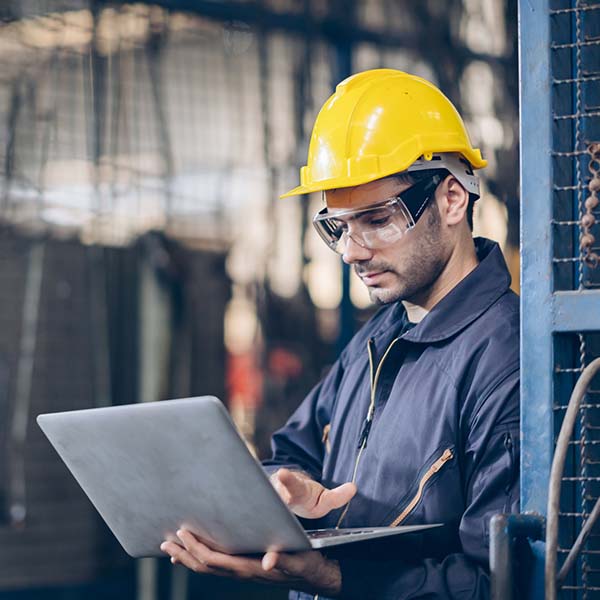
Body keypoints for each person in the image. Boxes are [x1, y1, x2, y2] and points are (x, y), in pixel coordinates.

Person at [161, 69, 519, 599]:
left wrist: (333, 578)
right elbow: (291, 452)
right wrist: (286, 492)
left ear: (451, 199)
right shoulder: (377, 340)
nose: (351, 252)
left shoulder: (507, 360)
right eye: (339, 227)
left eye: (377, 219)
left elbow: (499, 584)